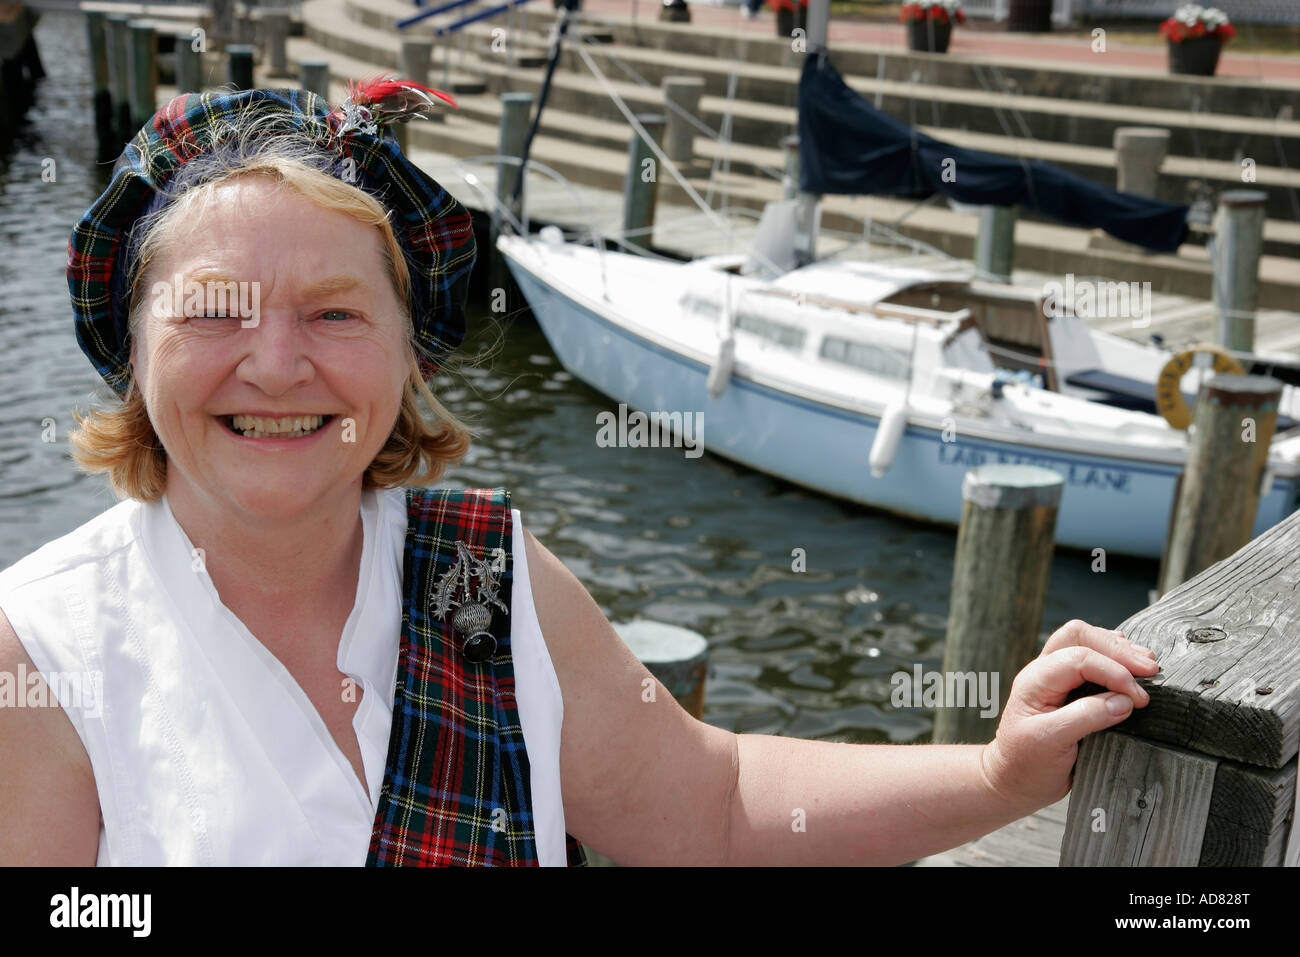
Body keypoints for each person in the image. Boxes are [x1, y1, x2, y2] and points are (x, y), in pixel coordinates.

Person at [0, 80, 1158, 866]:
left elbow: (711, 804)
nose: (276, 363)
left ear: (409, 351)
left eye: (335, 311)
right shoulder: (43, 653)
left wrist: (1003, 776)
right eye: (214, 311)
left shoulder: (486, 578)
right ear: (130, 345)